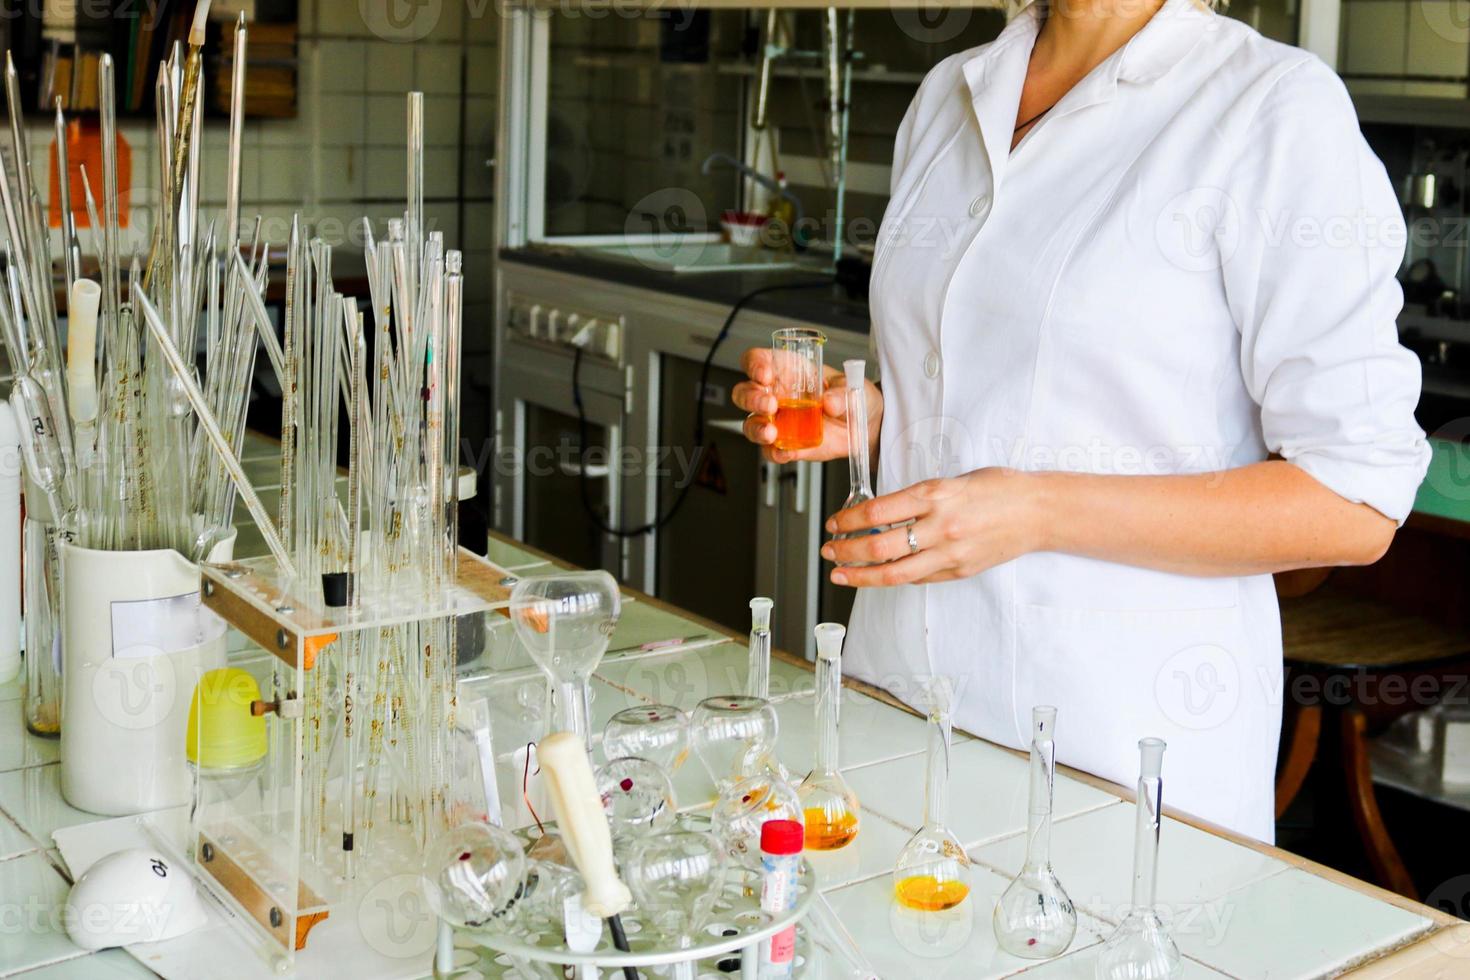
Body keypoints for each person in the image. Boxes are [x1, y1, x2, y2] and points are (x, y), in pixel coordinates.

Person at [732, 0, 1428, 842]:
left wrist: (1038, 511)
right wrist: (880, 418)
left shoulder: (1270, 107)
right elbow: (1001, 383)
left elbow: (1354, 500)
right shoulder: (951, 93)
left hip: (1112, 750)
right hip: (896, 709)